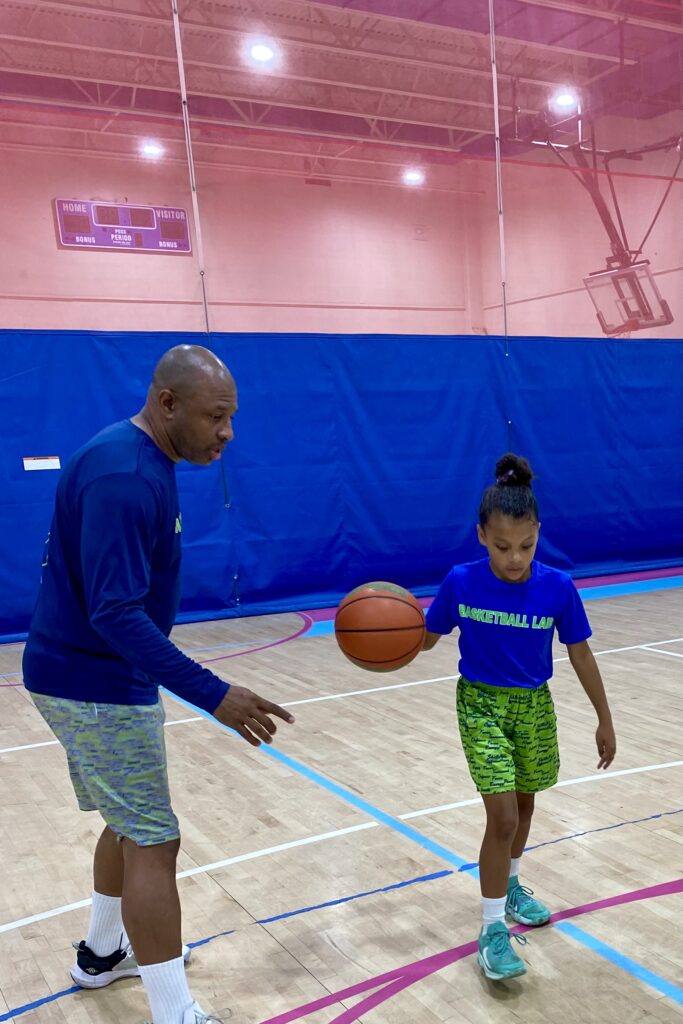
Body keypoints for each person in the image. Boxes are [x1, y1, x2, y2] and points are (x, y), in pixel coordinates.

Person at [22, 344, 295, 1024]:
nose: (226, 433)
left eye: (231, 418)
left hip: (90, 671)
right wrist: (215, 695)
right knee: (153, 838)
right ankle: (175, 1014)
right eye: (217, 417)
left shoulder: (140, 457)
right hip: (93, 677)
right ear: (168, 403)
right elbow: (114, 613)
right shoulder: (124, 476)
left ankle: (101, 952)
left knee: (128, 822)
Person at [421, 453, 616, 982]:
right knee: (502, 817)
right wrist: (389, 629)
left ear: (538, 534)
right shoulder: (460, 583)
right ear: (482, 534)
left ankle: (508, 885)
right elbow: (425, 639)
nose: (515, 558)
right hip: (480, 703)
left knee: (525, 808)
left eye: (526, 546)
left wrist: (604, 718)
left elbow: (579, 653)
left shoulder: (556, 587)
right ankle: (490, 930)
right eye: (503, 546)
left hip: (534, 705)